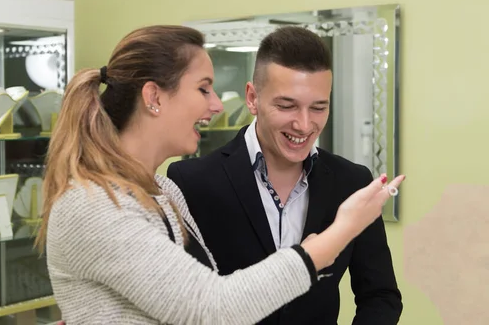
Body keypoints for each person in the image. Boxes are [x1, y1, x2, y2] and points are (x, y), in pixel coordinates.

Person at [36, 25, 405, 325]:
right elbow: (212, 308)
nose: (215, 105)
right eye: (203, 89)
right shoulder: (92, 207)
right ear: (154, 97)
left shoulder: (163, 191)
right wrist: (338, 233)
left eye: (318, 107)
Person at [167, 25, 403, 325]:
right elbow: (186, 305)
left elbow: (381, 296)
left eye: (318, 107)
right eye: (287, 106)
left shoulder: (351, 181)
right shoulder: (190, 182)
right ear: (252, 98)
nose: (304, 126)